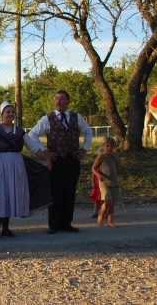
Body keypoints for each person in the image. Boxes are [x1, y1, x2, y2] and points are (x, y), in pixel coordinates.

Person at [0, 102, 53, 238]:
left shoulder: (20, 132)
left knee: (10, 195)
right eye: (7, 112)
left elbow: (33, 147)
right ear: (1, 115)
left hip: (16, 166)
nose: (10, 114)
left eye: (12, 112)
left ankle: (6, 228)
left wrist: (46, 158)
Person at [28, 90, 93, 234]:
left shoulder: (77, 118)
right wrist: (44, 152)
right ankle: (54, 224)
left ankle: (66, 223)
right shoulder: (47, 118)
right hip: (56, 160)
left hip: (72, 159)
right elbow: (32, 134)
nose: (58, 101)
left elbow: (88, 132)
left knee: (69, 192)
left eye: (62, 99)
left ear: (68, 101)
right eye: (56, 99)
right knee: (55, 192)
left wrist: (84, 149)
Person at [92, 137, 121, 228]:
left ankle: (110, 221)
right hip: (104, 182)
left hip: (114, 182)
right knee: (107, 201)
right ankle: (100, 216)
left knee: (112, 203)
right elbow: (93, 168)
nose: (109, 148)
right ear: (103, 146)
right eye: (107, 146)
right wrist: (98, 175)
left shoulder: (113, 157)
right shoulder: (101, 157)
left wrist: (118, 162)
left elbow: (116, 169)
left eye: (111, 146)